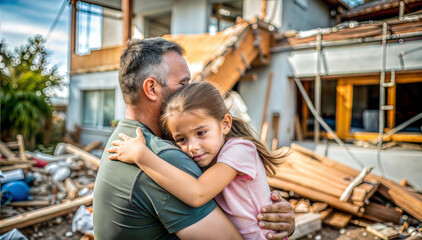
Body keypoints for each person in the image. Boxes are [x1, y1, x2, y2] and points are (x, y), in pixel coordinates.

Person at [93, 38, 295, 239]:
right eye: (183, 83)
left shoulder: (124, 138)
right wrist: (143, 156)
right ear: (152, 89)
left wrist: (270, 210)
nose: (190, 92)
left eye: (201, 133)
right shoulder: (159, 156)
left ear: (224, 124)